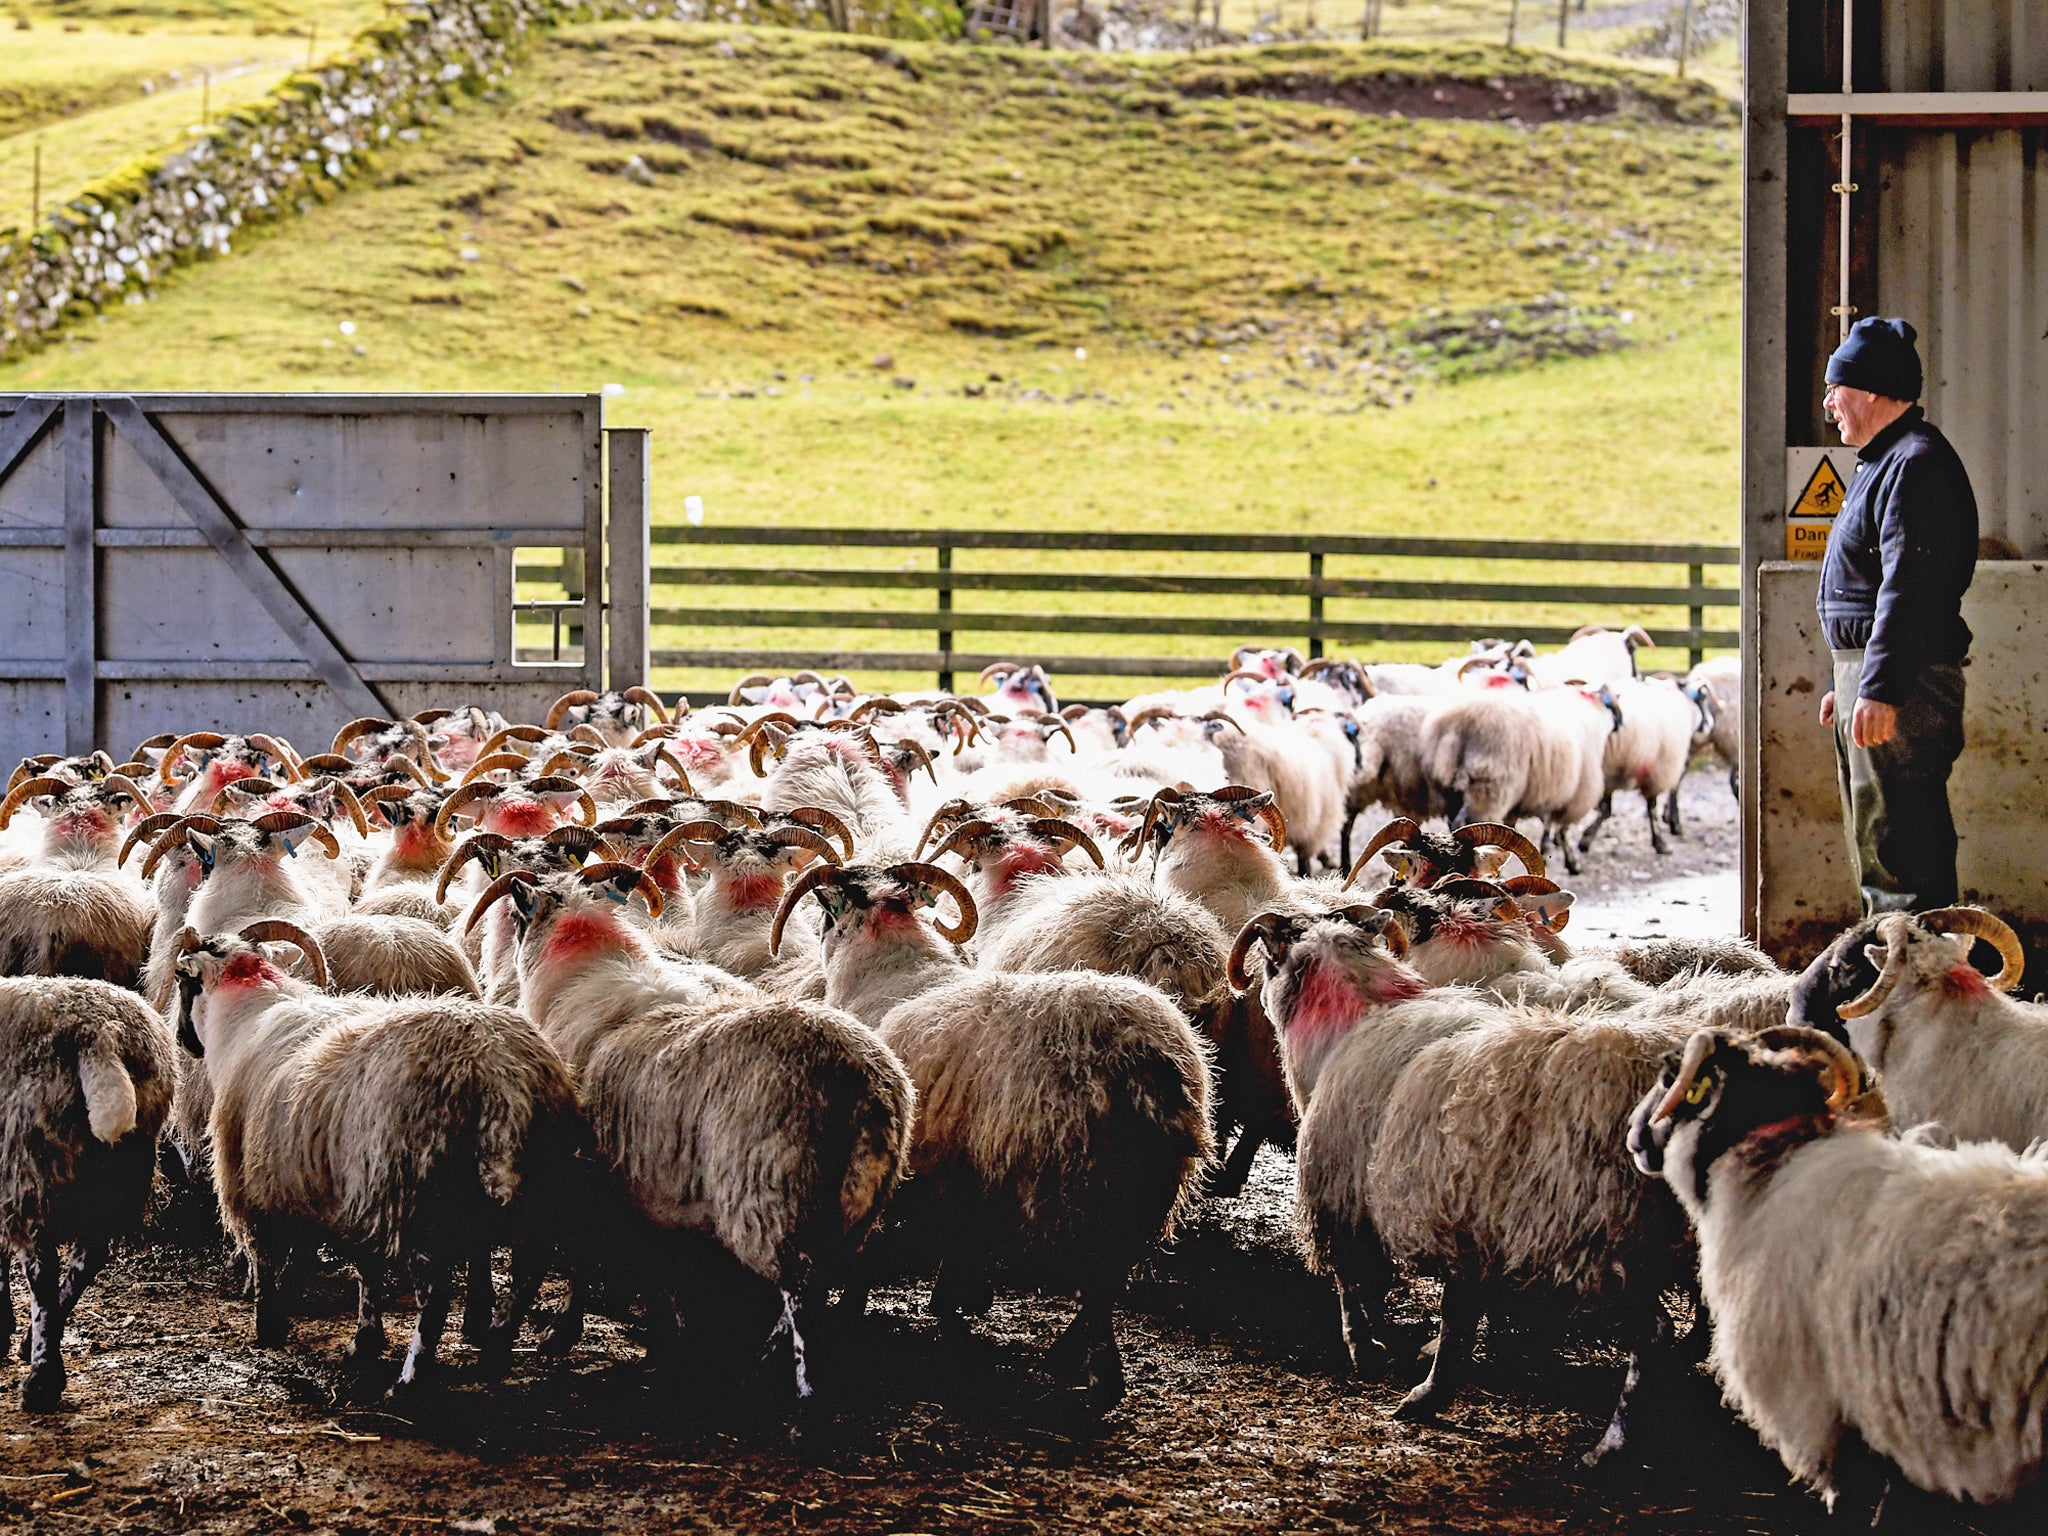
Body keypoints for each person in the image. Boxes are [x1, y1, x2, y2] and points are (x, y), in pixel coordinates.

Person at [1814, 317, 1978, 913]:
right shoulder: (1883, 462)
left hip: (1902, 681)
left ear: (1875, 391)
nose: (1829, 401)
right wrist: (1848, 680)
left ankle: (1917, 984)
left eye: (1838, 388)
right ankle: (1896, 973)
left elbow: (1911, 589)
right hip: (1874, 675)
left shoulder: (1917, 463)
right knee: (1877, 833)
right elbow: (1870, 587)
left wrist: (1877, 684)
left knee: (1900, 840)